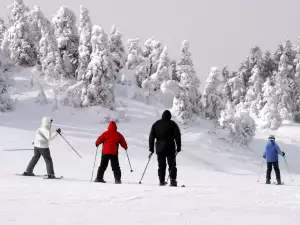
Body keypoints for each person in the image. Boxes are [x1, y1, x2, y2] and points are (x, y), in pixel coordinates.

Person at [149, 110, 181, 186]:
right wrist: (178, 147)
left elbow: (151, 137)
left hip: (160, 149)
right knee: (172, 165)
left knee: (161, 165)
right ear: (170, 116)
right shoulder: (173, 124)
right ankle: (173, 180)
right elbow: (177, 136)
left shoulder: (156, 124)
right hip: (170, 148)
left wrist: (151, 149)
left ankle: (161, 181)